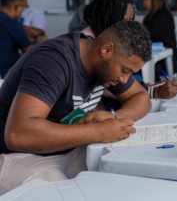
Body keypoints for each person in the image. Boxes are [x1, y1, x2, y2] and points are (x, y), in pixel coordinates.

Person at [0, 20, 153, 194]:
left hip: (66, 150)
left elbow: (141, 97)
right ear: (107, 49)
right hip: (17, 157)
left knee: (126, 173)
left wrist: (114, 116)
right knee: (62, 192)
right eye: (125, 70)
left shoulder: (103, 64)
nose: (124, 79)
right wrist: (98, 131)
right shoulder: (53, 60)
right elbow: (18, 135)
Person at [83, 0, 177, 100]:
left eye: (130, 21)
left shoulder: (110, 38)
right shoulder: (89, 43)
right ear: (107, 15)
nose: (128, 27)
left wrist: (141, 88)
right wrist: (145, 90)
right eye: (124, 21)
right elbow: (108, 85)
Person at [0, 0, 46, 78]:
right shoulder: (12, 23)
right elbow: (30, 52)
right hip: (5, 72)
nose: (22, 12)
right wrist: (41, 43)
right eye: (23, 8)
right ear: (16, 8)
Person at [142, 0, 177, 80]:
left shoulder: (164, 16)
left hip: (167, 60)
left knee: (147, 69)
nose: (143, 2)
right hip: (153, 57)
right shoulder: (150, 17)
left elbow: (144, 34)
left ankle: (154, 91)